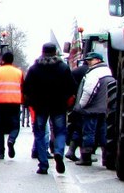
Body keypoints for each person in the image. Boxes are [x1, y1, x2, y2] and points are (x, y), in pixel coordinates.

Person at [22, 42, 76, 175]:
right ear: (55, 52)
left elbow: (26, 88)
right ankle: (58, 152)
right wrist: (68, 101)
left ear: (42, 52)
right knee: (60, 132)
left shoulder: (34, 68)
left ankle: (43, 165)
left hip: (40, 107)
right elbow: (72, 87)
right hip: (59, 106)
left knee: (39, 134)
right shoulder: (63, 68)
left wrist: (30, 102)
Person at [71, 52, 114, 166]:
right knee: (103, 133)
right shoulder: (108, 72)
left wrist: (82, 105)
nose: (88, 62)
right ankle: (106, 158)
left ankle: (86, 157)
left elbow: (89, 91)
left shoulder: (94, 73)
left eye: (91, 60)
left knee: (88, 133)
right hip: (104, 109)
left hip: (91, 109)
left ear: (98, 60)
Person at [0, 51, 24, 159]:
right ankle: (11, 139)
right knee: (15, 126)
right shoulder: (19, 72)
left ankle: (1, 152)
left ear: (2, 60)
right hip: (14, 103)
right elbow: (22, 88)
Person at [65, 56, 89, 161]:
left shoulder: (75, 71)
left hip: (76, 103)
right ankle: (84, 155)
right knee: (86, 129)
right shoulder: (91, 72)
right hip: (86, 104)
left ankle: (71, 149)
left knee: (77, 127)